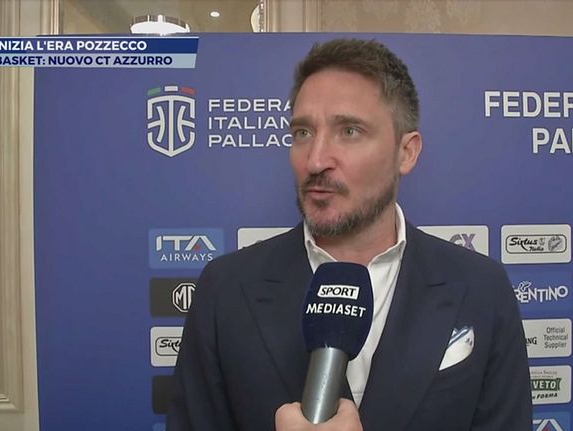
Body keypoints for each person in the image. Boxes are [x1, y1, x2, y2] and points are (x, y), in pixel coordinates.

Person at [167, 38, 531, 431]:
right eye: (303, 132)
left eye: (350, 131)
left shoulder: (481, 289)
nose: (316, 160)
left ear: (406, 152)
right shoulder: (225, 290)